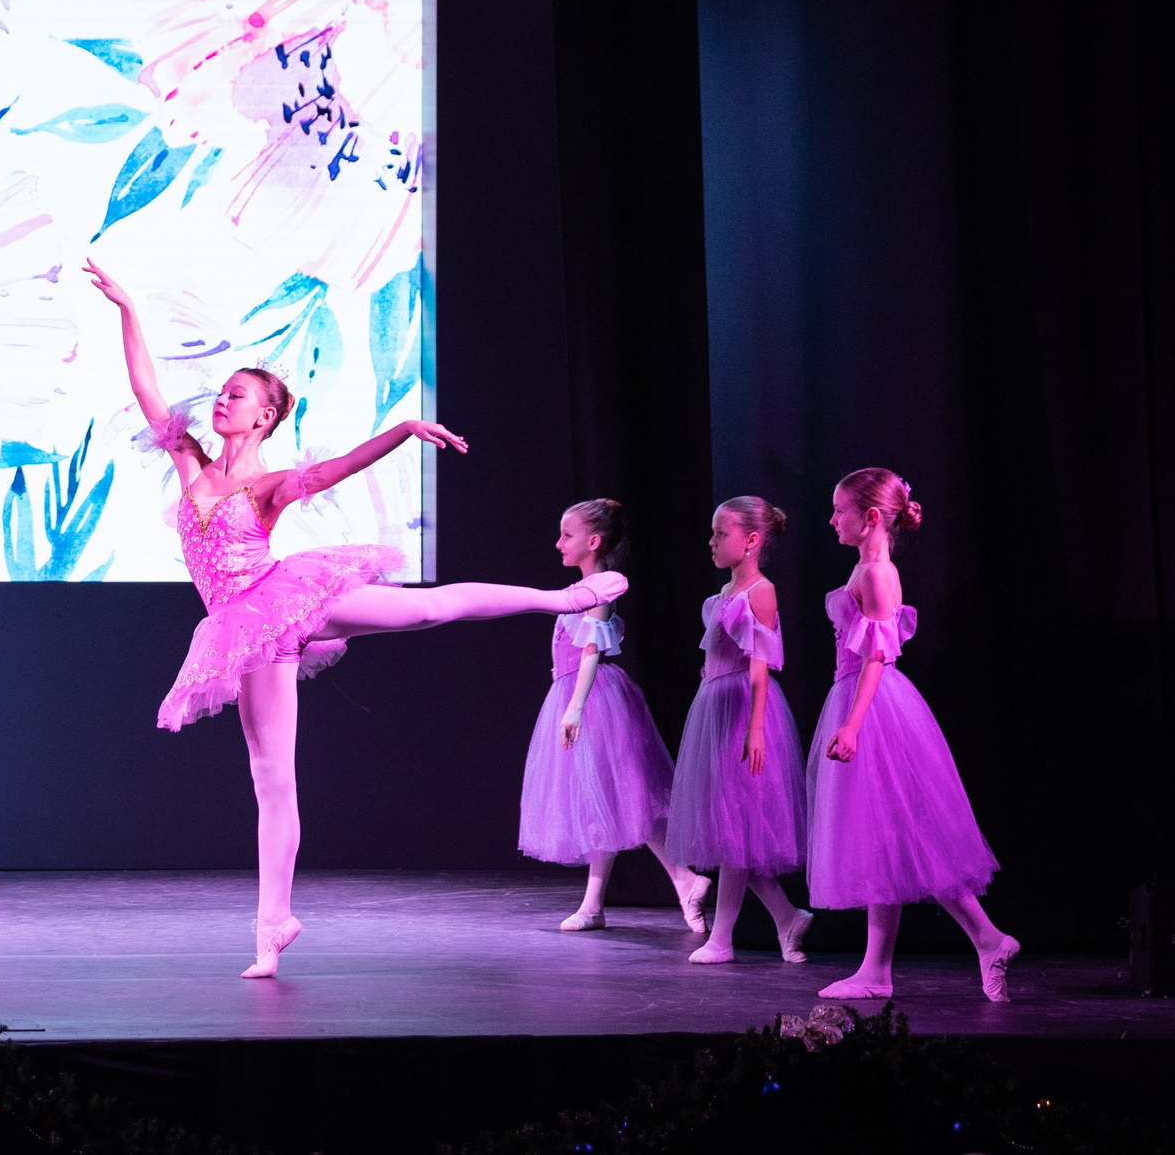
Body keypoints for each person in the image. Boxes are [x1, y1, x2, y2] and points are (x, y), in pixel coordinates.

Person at [89, 261, 628, 978]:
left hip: (283, 596)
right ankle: (272, 925)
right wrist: (129, 303)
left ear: (265, 417)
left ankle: (560, 599)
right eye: (222, 392)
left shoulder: (270, 483)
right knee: (271, 778)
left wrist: (404, 427)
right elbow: (147, 387)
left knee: (426, 609)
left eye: (238, 395)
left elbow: (339, 466)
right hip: (243, 629)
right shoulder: (190, 463)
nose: (222, 401)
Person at [807, 467, 1016, 1001]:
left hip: (871, 707)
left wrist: (852, 724)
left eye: (840, 510)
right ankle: (880, 970)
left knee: (908, 835)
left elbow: (877, 653)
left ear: (871, 517)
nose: (832, 519)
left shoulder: (876, 572)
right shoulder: (870, 568)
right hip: (866, 701)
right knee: (887, 839)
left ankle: (986, 938)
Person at [518, 500, 710, 934]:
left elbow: (591, 651)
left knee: (622, 794)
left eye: (567, 535)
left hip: (592, 697)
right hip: (577, 693)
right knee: (603, 800)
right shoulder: (588, 585)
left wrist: (575, 707)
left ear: (593, 541)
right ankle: (601, 903)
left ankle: (681, 879)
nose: (558, 543)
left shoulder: (602, 586)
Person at [666, 496, 811, 964]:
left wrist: (755, 729)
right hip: (715, 707)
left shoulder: (760, 592)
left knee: (734, 828)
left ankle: (723, 938)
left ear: (750, 541)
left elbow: (759, 667)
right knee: (733, 831)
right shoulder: (719, 598)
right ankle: (787, 919)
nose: (711, 541)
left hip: (743, 711)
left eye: (720, 534)